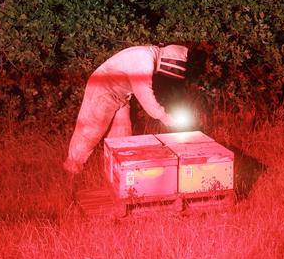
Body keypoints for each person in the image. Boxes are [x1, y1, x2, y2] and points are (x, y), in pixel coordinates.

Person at [62, 44, 193, 174]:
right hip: (103, 88)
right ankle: (71, 169)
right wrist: (163, 116)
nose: (171, 69)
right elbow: (144, 94)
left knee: (122, 136)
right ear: (171, 60)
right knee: (91, 131)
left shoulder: (149, 55)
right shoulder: (145, 59)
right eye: (173, 66)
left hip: (121, 95)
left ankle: (117, 173)